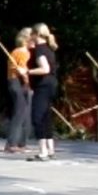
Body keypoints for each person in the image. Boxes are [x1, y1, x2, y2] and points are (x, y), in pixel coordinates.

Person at [25, 23, 59, 162]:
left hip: (43, 85)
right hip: (51, 84)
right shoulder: (50, 48)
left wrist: (28, 71)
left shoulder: (39, 50)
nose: (30, 36)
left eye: (31, 34)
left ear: (36, 34)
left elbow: (44, 69)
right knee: (46, 117)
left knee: (37, 117)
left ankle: (43, 151)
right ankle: (50, 149)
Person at [4, 27, 33, 154]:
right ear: (27, 39)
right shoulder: (22, 52)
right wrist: (27, 85)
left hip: (14, 82)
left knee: (25, 113)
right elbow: (22, 71)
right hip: (17, 82)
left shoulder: (19, 51)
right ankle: (11, 143)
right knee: (20, 112)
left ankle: (21, 143)